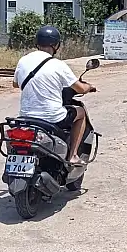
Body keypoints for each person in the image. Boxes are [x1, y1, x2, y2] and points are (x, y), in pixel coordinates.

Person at [12, 25, 95, 165]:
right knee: (80, 113)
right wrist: (89, 87)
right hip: (52, 117)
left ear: (37, 43)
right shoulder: (58, 64)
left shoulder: (23, 60)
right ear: (56, 45)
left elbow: (15, 84)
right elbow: (79, 89)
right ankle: (73, 155)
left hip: (26, 117)